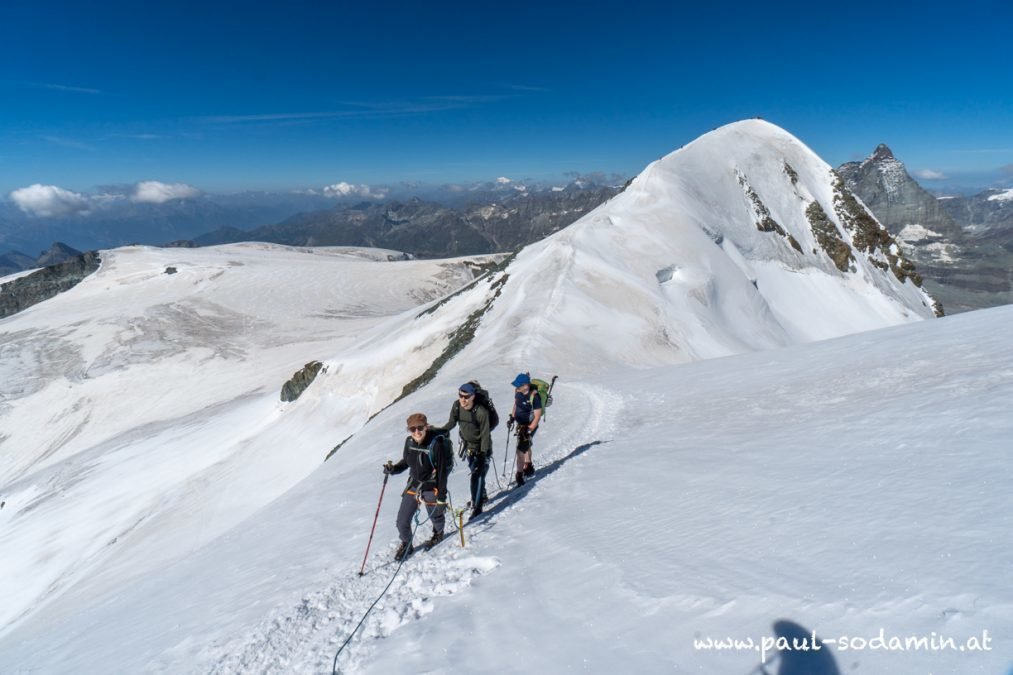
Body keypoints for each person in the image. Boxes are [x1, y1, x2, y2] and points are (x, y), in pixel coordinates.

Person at [384, 412, 451, 560]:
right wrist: (393, 469)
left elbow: (442, 473)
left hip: (432, 485)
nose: (416, 432)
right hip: (414, 485)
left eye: (420, 428)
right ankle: (407, 543)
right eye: (412, 429)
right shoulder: (409, 443)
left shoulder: (436, 444)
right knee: (401, 522)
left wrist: (441, 497)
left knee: (436, 516)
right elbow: (407, 462)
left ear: (426, 427)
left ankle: (438, 533)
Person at [434, 382, 492, 517]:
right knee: (475, 472)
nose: (463, 400)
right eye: (460, 396)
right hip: (468, 447)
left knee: (476, 475)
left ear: (473, 396)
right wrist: (437, 431)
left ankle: (477, 507)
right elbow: (451, 423)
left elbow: (485, 435)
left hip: (482, 448)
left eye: (466, 397)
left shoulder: (481, 412)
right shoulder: (456, 406)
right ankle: (481, 495)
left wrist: (483, 454)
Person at [510, 372, 542, 486]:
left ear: (526, 386)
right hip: (521, 425)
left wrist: (529, 429)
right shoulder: (518, 392)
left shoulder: (534, 396)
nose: (517, 387)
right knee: (525, 445)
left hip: (529, 426)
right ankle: (528, 466)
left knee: (520, 451)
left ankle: (519, 474)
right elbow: (516, 404)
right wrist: (512, 417)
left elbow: (537, 416)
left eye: (519, 385)